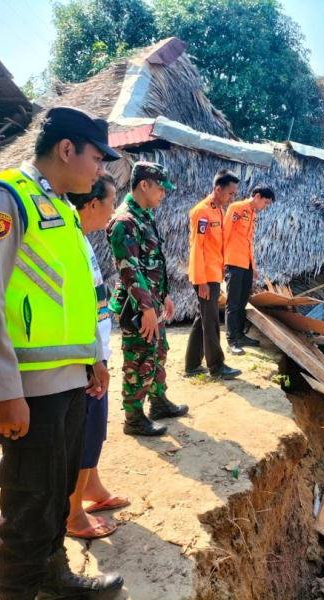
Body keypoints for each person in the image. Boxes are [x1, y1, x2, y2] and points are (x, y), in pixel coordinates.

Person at [0, 106, 124, 599]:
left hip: (70, 380)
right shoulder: (3, 199)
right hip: (31, 390)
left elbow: (73, 294)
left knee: (55, 493)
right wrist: (4, 393)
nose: (101, 171)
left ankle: (52, 575)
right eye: (97, 158)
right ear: (67, 149)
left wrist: (91, 357)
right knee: (29, 501)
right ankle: (17, 589)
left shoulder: (64, 211)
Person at [65, 174, 130, 540]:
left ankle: (92, 488)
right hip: (86, 358)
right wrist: (94, 359)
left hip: (95, 353)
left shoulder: (82, 239)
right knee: (83, 432)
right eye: (110, 201)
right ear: (92, 204)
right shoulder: (71, 240)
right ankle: (73, 514)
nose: (113, 209)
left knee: (95, 429)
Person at [107, 161, 188, 437]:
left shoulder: (144, 216)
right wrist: (145, 308)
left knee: (158, 353)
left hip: (152, 302)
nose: (163, 194)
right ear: (144, 184)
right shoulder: (124, 221)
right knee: (138, 360)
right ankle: (133, 418)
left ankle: (159, 402)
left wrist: (163, 296)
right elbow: (129, 269)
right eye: (160, 188)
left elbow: (154, 262)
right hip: (137, 307)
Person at [184, 169, 243, 378]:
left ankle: (191, 365)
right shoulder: (202, 211)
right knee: (210, 321)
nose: (232, 198)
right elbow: (197, 248)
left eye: (234, 194)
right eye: (230, 193)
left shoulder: (218, 209)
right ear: (218, 189)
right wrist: (201, 281)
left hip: (213, 273)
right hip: (205, 276)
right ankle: (217, 367)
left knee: (203, 318)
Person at [223, 185, 275, 355]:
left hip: (246, 264)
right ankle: (231, 341)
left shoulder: (252, 214)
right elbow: (225, 234)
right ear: (257, 196)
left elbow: (247, 241)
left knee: (243, 301)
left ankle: (240, 334)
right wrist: (222, 261)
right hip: (234, 262)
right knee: (233, 302)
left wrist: (253, 266)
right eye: (265, 203)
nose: (265, 207)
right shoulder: (236, 208)